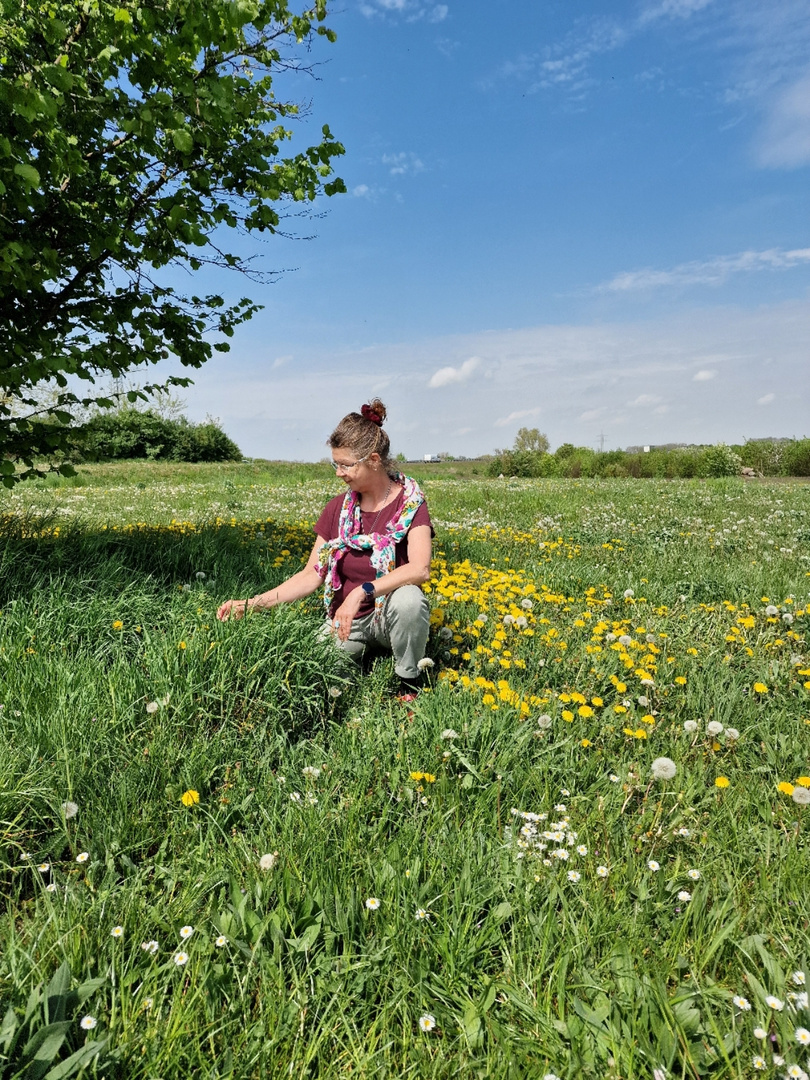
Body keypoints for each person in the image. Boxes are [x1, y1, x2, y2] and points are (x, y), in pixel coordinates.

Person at [216, 399, 433, 698]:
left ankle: (408, 681)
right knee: (313, 670)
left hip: (389, 615)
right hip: (348, 620)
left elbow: (420, 569)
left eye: (345, 465)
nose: (338, 473)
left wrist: (362, 591)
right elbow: (310, 575)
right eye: (335, 464)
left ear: (372, 460)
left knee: (409, 599)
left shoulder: (410, 504)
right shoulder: (338, 509)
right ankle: (356, 660)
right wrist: (252, 604)